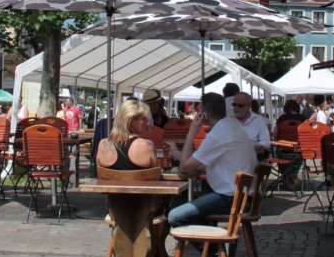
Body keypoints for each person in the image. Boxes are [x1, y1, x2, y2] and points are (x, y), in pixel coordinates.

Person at [168, 93, 257, 227]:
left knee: (175, 216)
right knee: (185, 204)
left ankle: (211, 241)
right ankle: (211, 236)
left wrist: (192, 130)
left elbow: (184, 167)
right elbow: (196, 165)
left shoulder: (218, 134)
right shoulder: (232, 126)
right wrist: (177, 154)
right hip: (244, 196)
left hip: (231, 199)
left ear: (204, 113)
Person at [96, 99, 157, 171]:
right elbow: (155, 174)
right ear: (131, 121)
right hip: (139, 179)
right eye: (144, 119)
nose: (148, 123)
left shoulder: (103, 144)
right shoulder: (146, 145)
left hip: (107, 179)